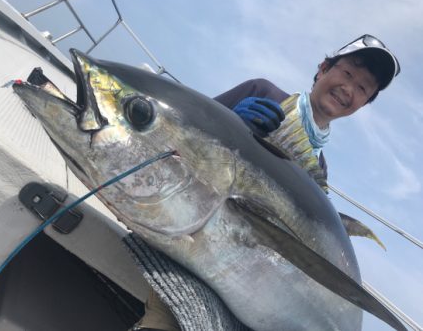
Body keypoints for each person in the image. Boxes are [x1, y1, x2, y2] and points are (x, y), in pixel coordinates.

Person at [130, 34, 400, 331]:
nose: (349, 88)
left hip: (238, 269)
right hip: (188, 239)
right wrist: (233, 120)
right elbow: (182, 130)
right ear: (323, 68)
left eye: (362, 88)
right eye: (347, 73)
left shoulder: (320, 168)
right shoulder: (262, 92)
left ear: (362, 104)